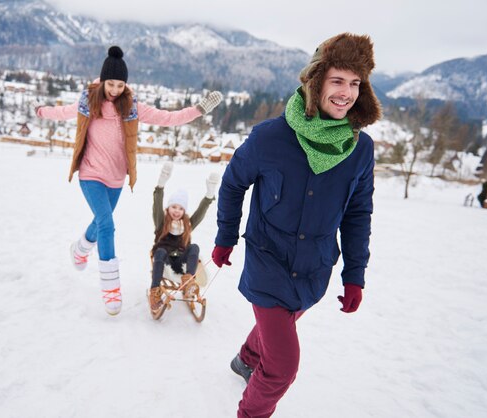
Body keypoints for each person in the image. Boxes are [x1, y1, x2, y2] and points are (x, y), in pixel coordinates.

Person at [211, 33, 382, 417]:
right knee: (282, 368)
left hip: (314, 267)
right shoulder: (271, 137)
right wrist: (225, 238)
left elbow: (358, 213)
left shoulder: (361, 150)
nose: (346, 93)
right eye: (338, 81)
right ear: (317, 81)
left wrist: (354, 274)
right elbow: (234, 183)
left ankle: (245, 359)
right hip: (267, 260)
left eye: (355, 84)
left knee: (282, 325)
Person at [35, 45, 223, 316]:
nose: (114, 89)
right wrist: (42, 111)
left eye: (120, 84)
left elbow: (168, 118)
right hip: (90, 175)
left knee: (100, 221)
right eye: (110, 84)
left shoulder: (132, 107)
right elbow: (62, 111)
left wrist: (197, 110)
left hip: (115, 179)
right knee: (107, 224)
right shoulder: (88, 101)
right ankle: (111, 287)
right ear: (102, 81)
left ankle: (80, 248)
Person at [148, 161, 219, 315]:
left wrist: (209, 195)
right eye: (174, 206)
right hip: (165, 258)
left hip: (180, 260)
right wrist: (161, 184)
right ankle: (154, 291)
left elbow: (200, 213)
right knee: (159, 252)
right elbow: (157, 204)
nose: (177, 211)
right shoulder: (162, 221)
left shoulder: (186, 225)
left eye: (181, 208)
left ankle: (188, 282)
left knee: (194, 247)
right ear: (168, 208)